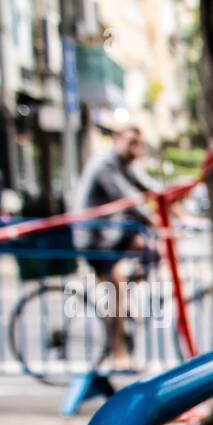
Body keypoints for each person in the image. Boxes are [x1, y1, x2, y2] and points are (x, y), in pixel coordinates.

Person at [74, 126, 158, 366]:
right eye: (131, 143)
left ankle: (123, 302)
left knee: (150, 250)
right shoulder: (106, 165)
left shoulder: (126, 166)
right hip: (93, 240)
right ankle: (118, 353)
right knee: (116, 290)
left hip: (110, 237)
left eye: (138, 145)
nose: (135, 150)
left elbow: (150, 188)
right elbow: (129, 201)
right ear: (117, 141)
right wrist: (153, 219)